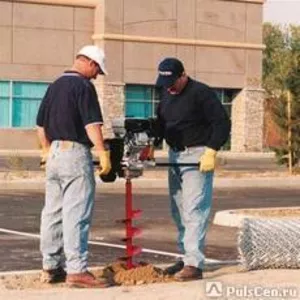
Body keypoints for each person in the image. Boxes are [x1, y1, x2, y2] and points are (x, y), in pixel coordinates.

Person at [36, 45, 112, 288]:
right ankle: (77, 270)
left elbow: (40, 125)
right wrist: (102, 153)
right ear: (90, 63)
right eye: (98, 70)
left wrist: (47, 150)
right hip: (75, 153)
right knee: (76, 213)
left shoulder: (55, 85)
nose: (97, 75)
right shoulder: (83, 87)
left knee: (53, 212)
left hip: (54, 153)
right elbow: (91, 125)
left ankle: (50, 266)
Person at [153, 57, 231, 281]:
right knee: (178, 209)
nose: (168, 88)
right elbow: (161, 122)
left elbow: (221, 123)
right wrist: (151, 142)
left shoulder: (201, 93)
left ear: (183, 75)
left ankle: (194, 264)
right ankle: (185, 256)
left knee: (194, 209)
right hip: (174, 155)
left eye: (172, 83)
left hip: (197, 155)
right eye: (164, 83)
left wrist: (211, 150)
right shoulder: (167, 93)